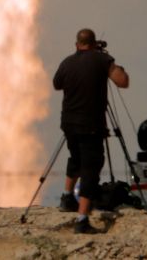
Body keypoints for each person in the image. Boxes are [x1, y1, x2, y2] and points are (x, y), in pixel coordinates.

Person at [53, 28, 129, 234]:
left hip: (68, 123)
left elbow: (56, 84)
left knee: (76, 159)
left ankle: (67, 198)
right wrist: (111, 64)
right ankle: (82, 219)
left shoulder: (67, 62)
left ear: (77, 44)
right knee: (91, 169)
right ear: (94, 44)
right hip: (91, 126)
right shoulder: (102, 61)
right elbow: (123, 82)